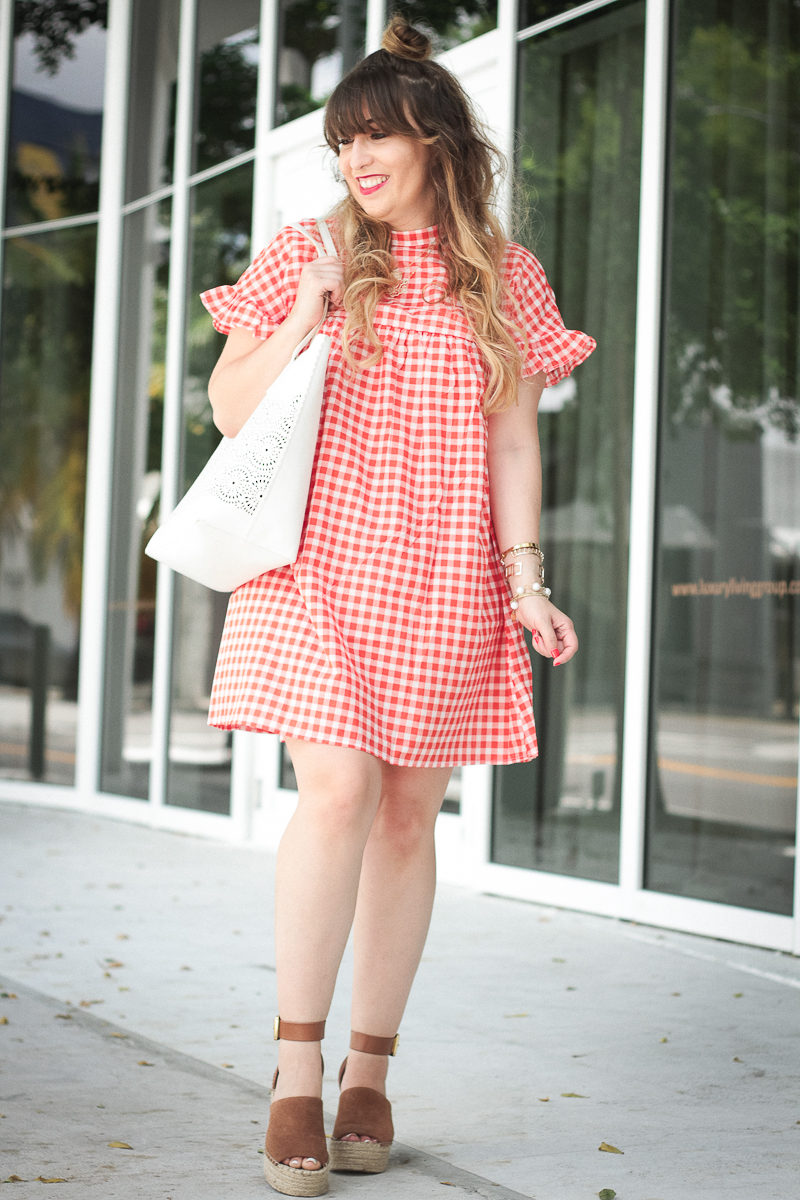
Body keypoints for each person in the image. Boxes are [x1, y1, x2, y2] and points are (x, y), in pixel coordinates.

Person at [200, 15, 595, 1198]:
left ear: (437, 139)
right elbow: (226, 408)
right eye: (342, 143)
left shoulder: (503, 276)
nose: (356, 162)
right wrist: (308, 309)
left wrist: (525, 583)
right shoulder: (306, 247)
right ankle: (293, 1072)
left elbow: (514, 441)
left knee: (408, 818)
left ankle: (369, 1071)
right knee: (334, 792)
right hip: (322, 562)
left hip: (447, 573)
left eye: (375, 137)